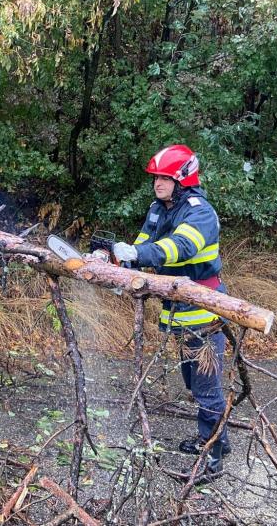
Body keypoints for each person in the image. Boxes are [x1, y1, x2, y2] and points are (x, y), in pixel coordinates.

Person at [112, 144, 230, 479]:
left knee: (207, 389)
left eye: (165, 178)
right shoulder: (158, 208)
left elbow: (179, 248)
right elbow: (145, 242)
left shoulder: (199, 211)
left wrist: (137, 254)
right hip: (178, 310)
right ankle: (220, 438)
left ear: (183, 179)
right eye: (156, 178)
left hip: (203, 311)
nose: (158, 183)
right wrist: (120, 264)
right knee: (194, 384)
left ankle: (213, 456)